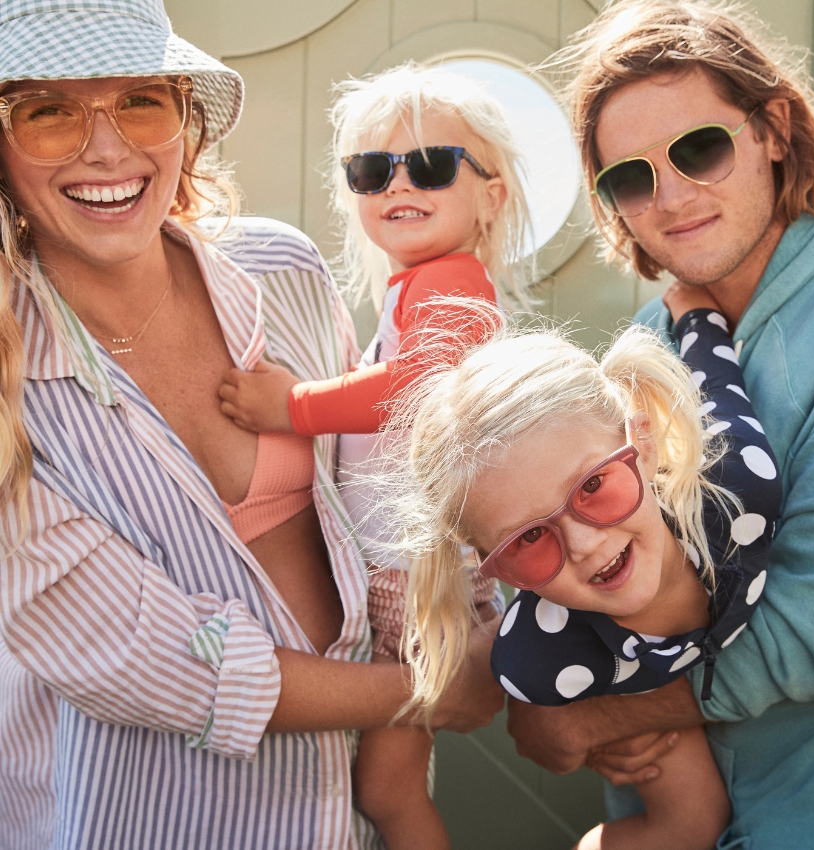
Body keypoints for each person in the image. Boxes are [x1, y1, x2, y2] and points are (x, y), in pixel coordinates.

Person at [0, 3, 504, 849]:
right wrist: (429, 688)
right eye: (46, 112)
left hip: (343, 817)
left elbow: (382, 480)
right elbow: (147, 659)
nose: (108, 149)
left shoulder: (284, 270)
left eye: (141, 102)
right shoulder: (11, 387)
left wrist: (486, 625)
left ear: (185, 123)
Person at [505, 2, 814, 847]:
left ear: (774, 128)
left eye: (700, 149)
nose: (671, 196)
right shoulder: (641, 351)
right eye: (629, 176)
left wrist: (594, 711)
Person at [218, 63, 532, 850]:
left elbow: (416, 385)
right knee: (384, 786)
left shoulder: (455, 283)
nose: (398, 184)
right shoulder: (415, 287)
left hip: (415, 577)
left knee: (388, 790)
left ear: (492, 194)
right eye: (370, 171)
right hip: (401, 570)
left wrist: (291, 404)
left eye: (429, 165)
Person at [374, 287, 779, 849]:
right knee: (690, 825)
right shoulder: (542, 656)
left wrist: (695, 312)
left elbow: (715, 381)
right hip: (628, 677)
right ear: (495, 570)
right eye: (530, 538)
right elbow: (479, 672)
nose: (587, 543)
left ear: (642, 441)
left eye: (593, 485)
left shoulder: (740, 495)